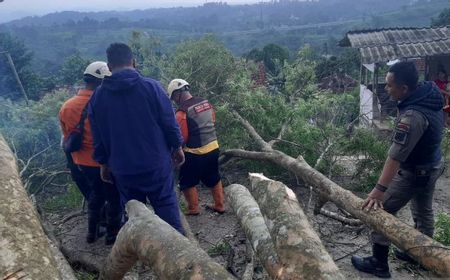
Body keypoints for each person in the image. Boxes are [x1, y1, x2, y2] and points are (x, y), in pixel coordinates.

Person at [351, 61, 444, 278]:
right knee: (423, 210)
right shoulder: (430, 95)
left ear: (404, 89)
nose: (386, 88)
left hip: (415, 171)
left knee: (380, 210)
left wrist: (379, 190)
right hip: (432, 165)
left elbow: (395, 156)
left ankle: (379, 263)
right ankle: (421, 255)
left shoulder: (412, 117)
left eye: (390, 85)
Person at [88, 43, 185, 234]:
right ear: (133, 61)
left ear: (109, 66)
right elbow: (169, 123)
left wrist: (103, 164)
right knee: (167, 210)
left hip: (123, 169)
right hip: (156, 164)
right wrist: (177, 146)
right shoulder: (152, 88)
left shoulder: (98, 98)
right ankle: (181, 257)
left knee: (136, 215)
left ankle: (146, 253)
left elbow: (98, 137)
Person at [59, 61, 122, 245]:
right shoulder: (104, 103)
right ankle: (112, 236)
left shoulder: (67, 106)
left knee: (96, 193)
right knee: (113, 197)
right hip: (104, 161)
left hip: (81, 163)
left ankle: (92, 233)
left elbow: (66, 136)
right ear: (102, 81)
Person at [167, 79, 225, 215]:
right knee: (214, 177)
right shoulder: (206, 103)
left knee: (187, 181)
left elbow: (182, 137)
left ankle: (193, 208)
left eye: (174, 97)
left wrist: (176, 152)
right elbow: (213, 120)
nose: (175, 101)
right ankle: (220, 205)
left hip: (195, 153)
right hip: (214, 147)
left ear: (177, 94)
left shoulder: (182, 112)